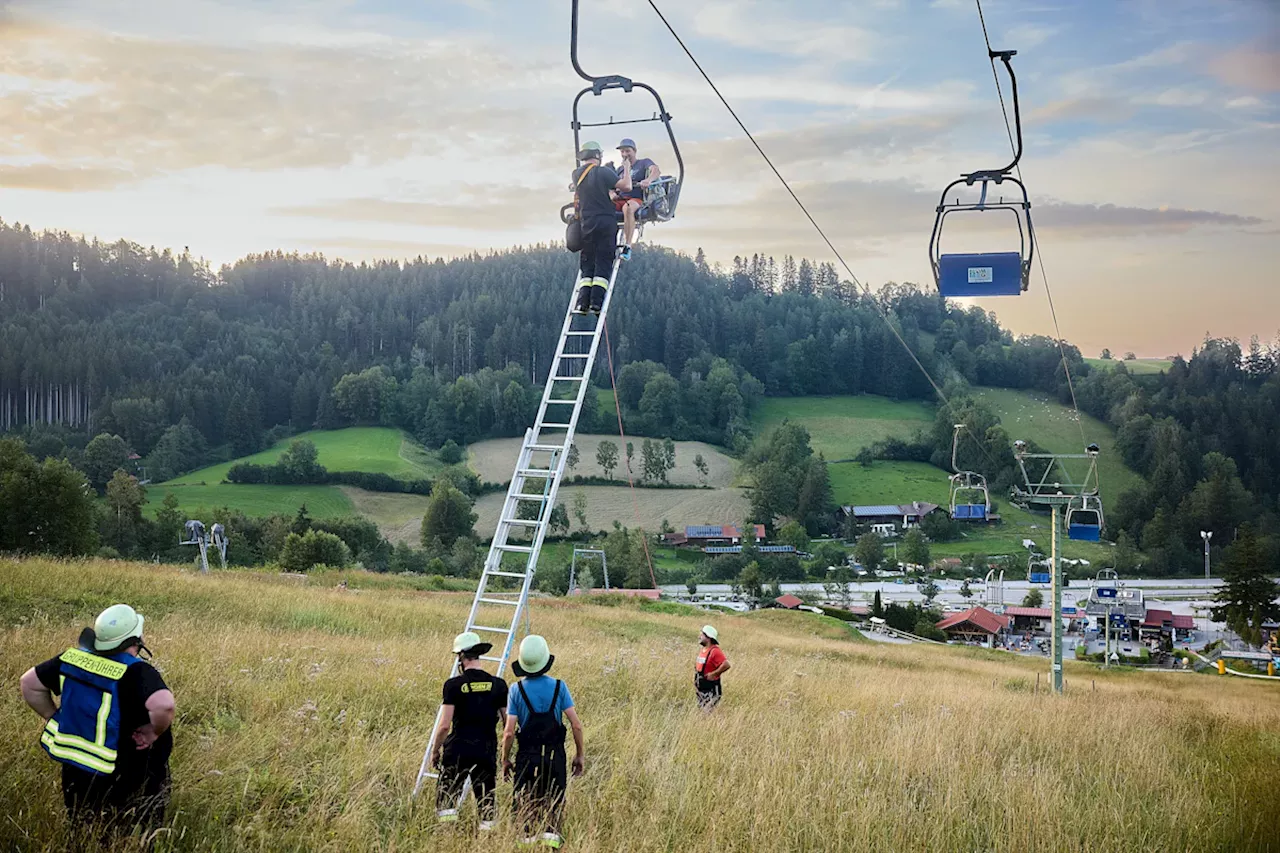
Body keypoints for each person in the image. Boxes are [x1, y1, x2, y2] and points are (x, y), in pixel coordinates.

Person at [19, 604, 176, 845]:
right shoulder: (138, 671)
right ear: (135, 639)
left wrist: (55, 717)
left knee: (82, 827)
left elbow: (29, 683)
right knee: (138, 830)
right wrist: (153, 732)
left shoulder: (71, 659)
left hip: (78, 765)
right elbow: (164, 705)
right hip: (133, 767)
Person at [501, 635, 585, 849]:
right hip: (555, 757)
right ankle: (550, 846)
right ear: (545, 659)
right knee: (554, 809)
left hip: (526, 758)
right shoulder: (560, 686)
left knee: (525, 808)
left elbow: (509, 732)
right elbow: (576, 725)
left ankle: (525, 845)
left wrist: (505, 760)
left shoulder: (515, 690)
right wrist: (579, 755)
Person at [431, 632, 509, 831]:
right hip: (486, 750)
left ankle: (446, 837)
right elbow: (507, 722)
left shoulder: (453, 686)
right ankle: (486, 839)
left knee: (447, 802)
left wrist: (435, 750)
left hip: (458, 749)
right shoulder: (498, 685)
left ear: (461, 658)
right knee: (486, 802)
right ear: (478, 655)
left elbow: (444, 726)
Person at [569, 140, 631, 315]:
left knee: (588, 264)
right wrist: (626, 168)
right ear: (597, 155)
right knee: (603, 261)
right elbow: (627, 186)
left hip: (586, 224)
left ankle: (582, 303)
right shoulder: (603, 173)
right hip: (605, 222)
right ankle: (596, 303)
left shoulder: (576, 174)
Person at [612, 138, 660, 261]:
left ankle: (628, 246)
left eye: (627, 151)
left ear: (634, 151)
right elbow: (613, 185)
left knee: (627, 208)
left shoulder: (643, 163)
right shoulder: (620, 169)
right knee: (603, 207)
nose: (625, 155)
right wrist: (612, 193)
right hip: (621, 197)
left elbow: (655, 170)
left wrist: (648, 180)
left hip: (635, 198)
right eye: (622, 152)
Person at [694, 624, 730, 709]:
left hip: (711, 690)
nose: (699, 636)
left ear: (708, 637)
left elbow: (726, 664)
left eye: (702, 634)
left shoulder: (714, 651)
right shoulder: (703, 650)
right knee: (702, 712)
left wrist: (714, 674)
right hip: (701, 690)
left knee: (707, 713)